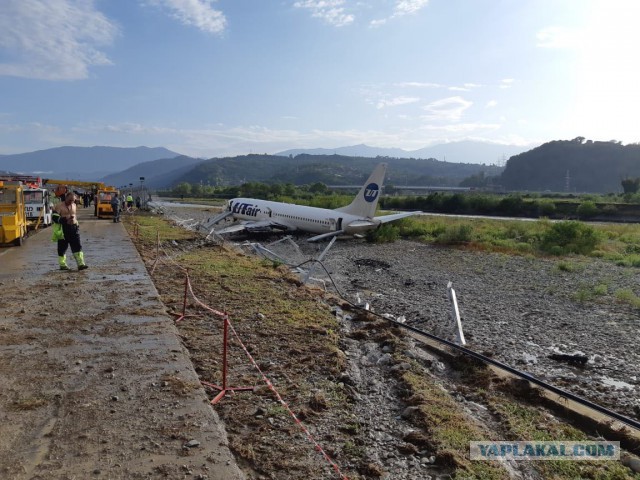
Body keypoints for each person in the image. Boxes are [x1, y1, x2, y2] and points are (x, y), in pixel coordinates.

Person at [52, 192, 88, 271]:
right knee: (62, 248)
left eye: (73, 200)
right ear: (66, 198)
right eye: (70, 200)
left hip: (74, 228)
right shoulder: (59, 206)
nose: (71, 202)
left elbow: (75, 216)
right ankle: (63, 265)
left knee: (77, 246)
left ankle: (81, 264)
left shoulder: (74, 205)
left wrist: (76, 225)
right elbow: (54, 217)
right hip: (63, 229)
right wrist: (65, 220)